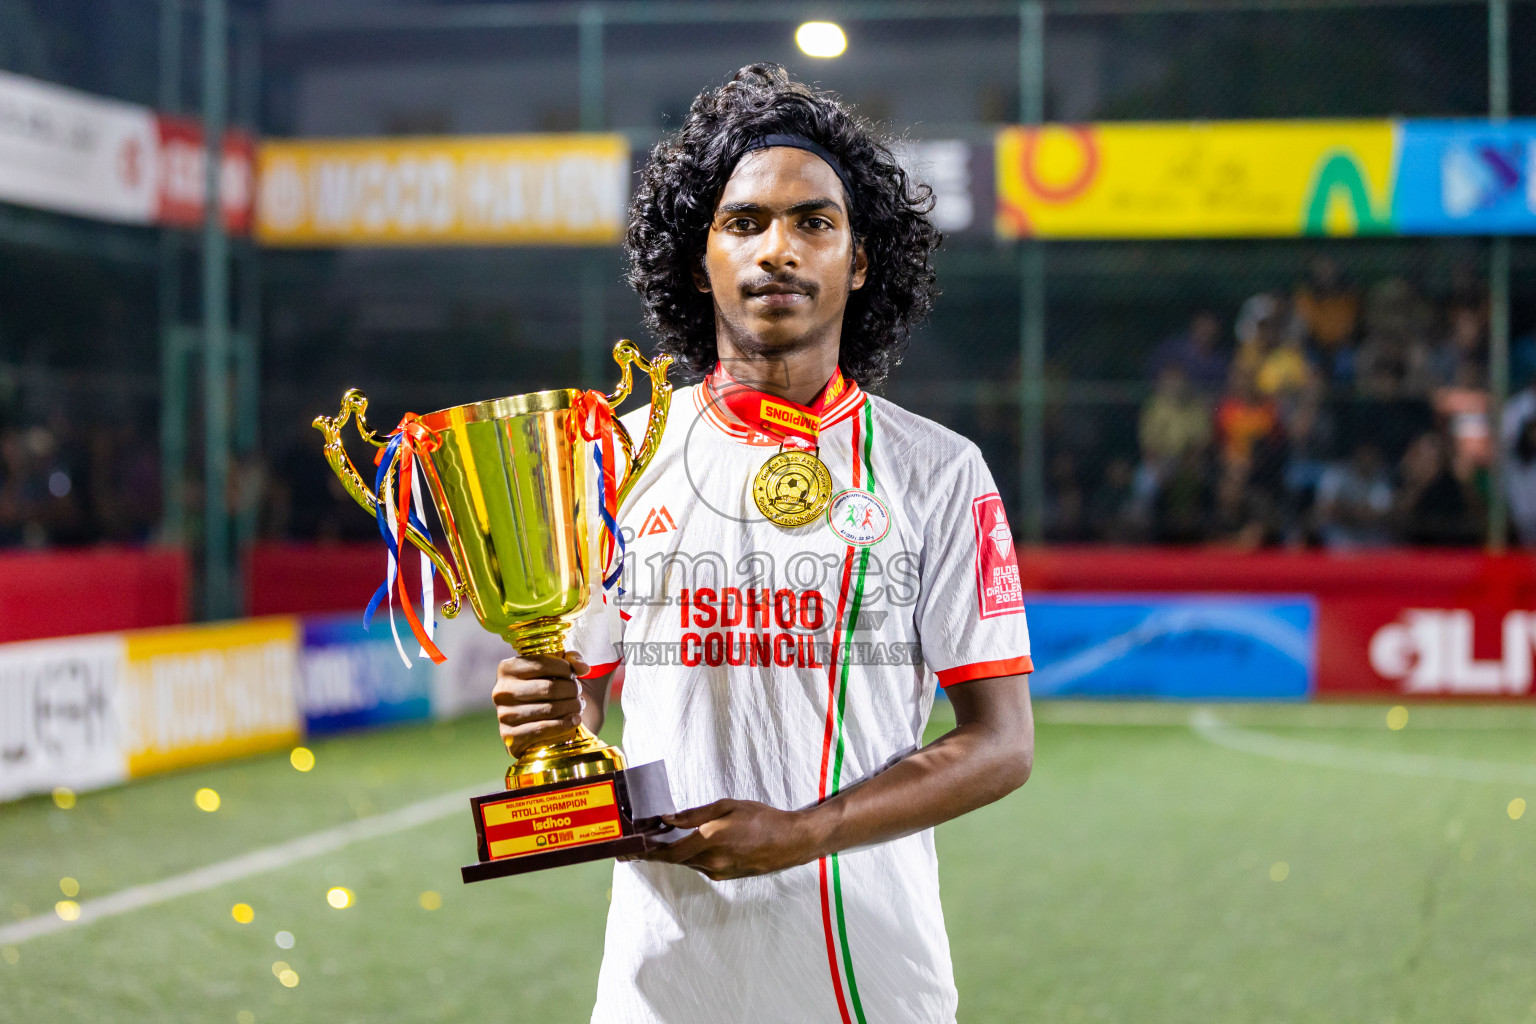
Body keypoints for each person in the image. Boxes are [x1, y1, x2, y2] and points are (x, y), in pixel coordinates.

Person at [491, 65, 1033, 1024]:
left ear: (861, 262)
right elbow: (583, 693)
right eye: (744, 223)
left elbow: (1002, 745)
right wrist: (543, 705)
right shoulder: (611, 460)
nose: (777, 249)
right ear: (697, 257)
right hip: (663, 982)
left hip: (871, 978)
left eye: (813, 222)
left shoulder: (938, 472)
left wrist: (802, 833)